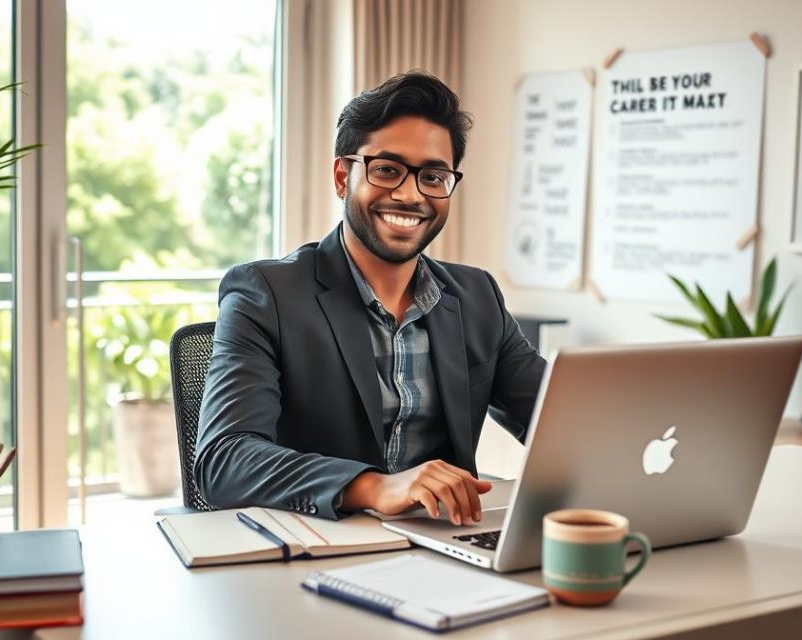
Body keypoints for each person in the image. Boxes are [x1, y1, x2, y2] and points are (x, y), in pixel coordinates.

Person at [194, 72, 547, 526]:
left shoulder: (477, 297)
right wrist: (376, 486)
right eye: (386, 170)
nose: (409, 194)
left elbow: (556, 422)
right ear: (343, 177)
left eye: (433, 176)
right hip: (319, 548)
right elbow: (225, 460)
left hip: (444, 545)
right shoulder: (265, 295)